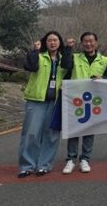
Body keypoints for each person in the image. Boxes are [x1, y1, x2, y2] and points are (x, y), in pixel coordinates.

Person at [17, 31, 70, 177]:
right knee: (31, 133)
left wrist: (68, 49)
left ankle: (44, 165)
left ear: (59, 42)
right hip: (36, 100)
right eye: (49, 40)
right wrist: (35, 50)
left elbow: (68, 67)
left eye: (55, 40)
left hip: (56, 102)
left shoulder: (63, 58)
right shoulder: (39, 56)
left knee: (51, 135)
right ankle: (27, 166)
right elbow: (30, 67)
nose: (52, 43)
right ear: (45, 42)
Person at [61, 32, 107, 175]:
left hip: (93, 100)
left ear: (96, 42)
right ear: (82, 43)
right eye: (85, 41)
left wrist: (103, 77)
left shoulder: (105, 60)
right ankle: (71, 159)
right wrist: (68, 48)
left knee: (89, 130)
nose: (89, 44)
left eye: (91, 41)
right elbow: (65, 66)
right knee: (74, 129)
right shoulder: (74, 57)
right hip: (75, 99)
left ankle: (85, 159)